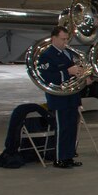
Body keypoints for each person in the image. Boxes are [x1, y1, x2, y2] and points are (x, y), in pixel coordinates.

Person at [37, 26, 85, 168]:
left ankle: (69, 156)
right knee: (62, 128)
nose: (65, 42)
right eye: (62, 39)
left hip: (72, 96)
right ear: (54, 38)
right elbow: (47, 78)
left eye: (67, 39)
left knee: (72, 128)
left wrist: (82, 74)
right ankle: (59, 158)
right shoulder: (46, 55)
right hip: (59, 98)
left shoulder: (68, 53)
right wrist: (68, 72)